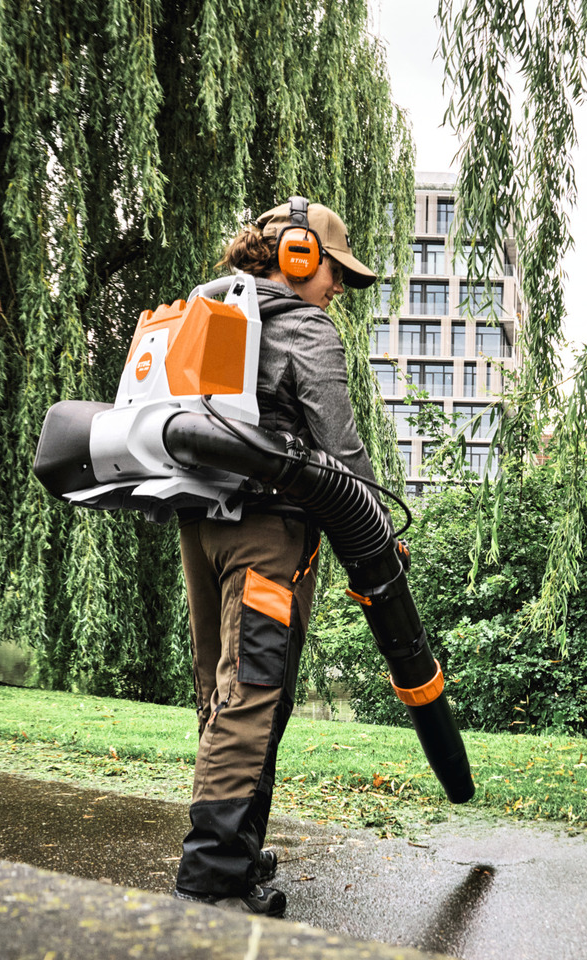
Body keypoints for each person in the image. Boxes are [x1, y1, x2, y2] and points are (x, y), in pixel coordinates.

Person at [173, 199, 379, 914]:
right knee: (256, 691)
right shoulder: (302, 323)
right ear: (298, 254)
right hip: (268, 533)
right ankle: (209, 883)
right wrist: (377, 529)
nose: (338, 289)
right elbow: (340, 445)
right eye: (335, 272)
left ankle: (233, 854)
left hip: (201, 523)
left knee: (224, 691)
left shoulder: (214, 306)